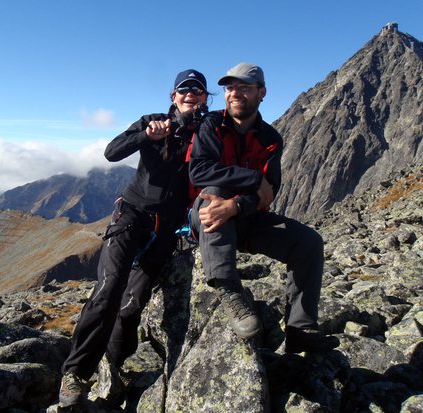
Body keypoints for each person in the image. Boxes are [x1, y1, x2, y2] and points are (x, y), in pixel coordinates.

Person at [58, 69, 209, 408]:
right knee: (109, 290)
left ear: (204, 97)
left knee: (131, 307)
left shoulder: (207, 130)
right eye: (184, 90)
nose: (190, 95)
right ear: (173, 96)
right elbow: (112, 152)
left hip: (167, 230)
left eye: (197, 90)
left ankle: (116, 362)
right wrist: (147, 135)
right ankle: (76, 372)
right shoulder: (152, 122)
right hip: (131, 218)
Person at [189, 62, 339, 353]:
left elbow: (269, 193)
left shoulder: (271, 139)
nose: (235, 93)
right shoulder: (211, 125)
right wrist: (253, 178)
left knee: (309, 243)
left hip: (246, 217)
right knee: (213, 193)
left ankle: (300, 329)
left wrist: (236, 205)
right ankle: (229, 291)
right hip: (206, 218)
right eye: (230, 87)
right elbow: (200, 171)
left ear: (262, 93)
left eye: (244, 87)